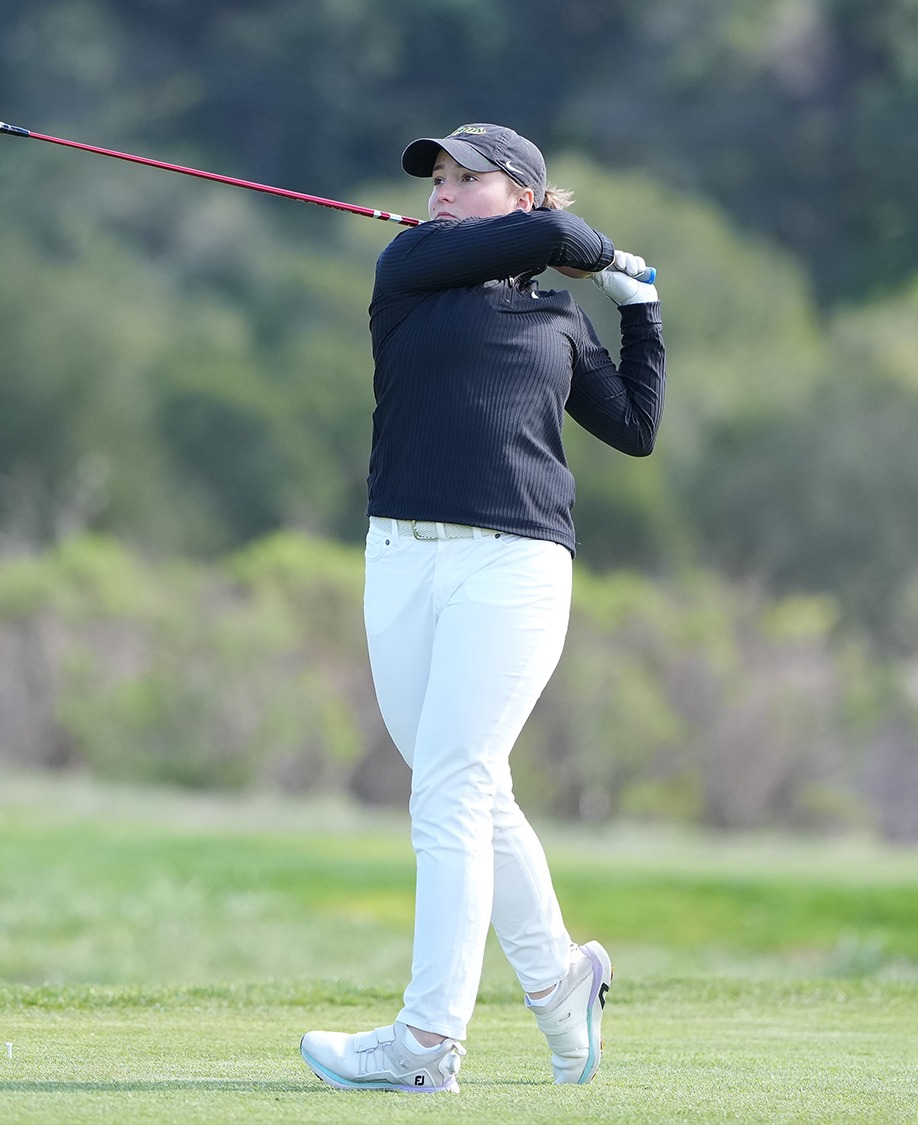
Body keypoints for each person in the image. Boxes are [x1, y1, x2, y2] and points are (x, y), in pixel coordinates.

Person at [297, 124, 665, 1093]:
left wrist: (640, 311)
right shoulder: (408, 268)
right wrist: (581, 244)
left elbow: (631, 429)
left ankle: (424, 1044)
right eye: (436, 180)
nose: (441, 194)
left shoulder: (555, 322)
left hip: (513, 565)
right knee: (462, 784)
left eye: (468, 179)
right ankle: (557, 983)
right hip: (399, 556)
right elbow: (563, 242)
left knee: (450, 789)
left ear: (522, 194)